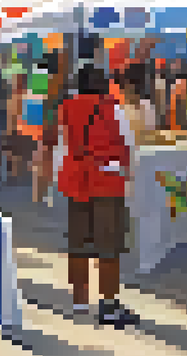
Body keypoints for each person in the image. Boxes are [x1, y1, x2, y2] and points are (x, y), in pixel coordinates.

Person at [54, 64, 140, 329]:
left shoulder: (66, 108)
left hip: (76, 183)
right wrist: (129, 177)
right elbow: (129, 146)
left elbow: (61, 146)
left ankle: (79, 301)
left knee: (78, 243)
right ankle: (109, 305)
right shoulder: (114, 108)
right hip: (106, 182)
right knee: (108, 246)